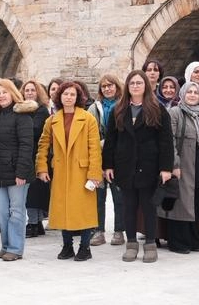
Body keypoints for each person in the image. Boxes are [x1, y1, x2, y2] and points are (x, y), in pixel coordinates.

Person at [103, 70, 174, 263]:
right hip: (125, 166)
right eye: (132, 83)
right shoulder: (118, 110)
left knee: (148, 207)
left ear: (146, 86)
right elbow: (111, 140)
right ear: (127, 86)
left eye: (139, 83)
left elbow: (166, 141)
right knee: (128, 207)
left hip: (149, 166)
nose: (135, 86)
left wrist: (166, 168)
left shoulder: (157, 109)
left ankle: (150, 244)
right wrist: (108, 165)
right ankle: (132, 244)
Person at [36, 82, 102, 261]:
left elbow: (94, 148)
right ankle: (67, 246)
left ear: (78, 97)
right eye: (65, 94)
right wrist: (41, 167)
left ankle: (85, 247)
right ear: (59, 96)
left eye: (72, 94)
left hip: (83, 172)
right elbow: (43, 145)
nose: (69, 97)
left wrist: (94, 174)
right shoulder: (52, 120)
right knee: (62, 209)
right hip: (61, 170)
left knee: (84, 211)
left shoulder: (88, 119)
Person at [0, 80, 36, 261]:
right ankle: (5, 245)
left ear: (13, 93)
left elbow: (26, 146)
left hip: (17, 173)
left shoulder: (22, 117)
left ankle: (15, 249)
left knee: (16, 211)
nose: (1, 96)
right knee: (1, 212)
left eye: (4, 92)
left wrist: (21, 173)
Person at [88, 74, 124, 246]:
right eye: (104, 86)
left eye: (110, 85)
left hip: (119, 157)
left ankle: (119, 231)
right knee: (98, 197)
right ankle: (98, 231)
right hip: (98, 156)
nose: (107, 89)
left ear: (117, 86)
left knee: (119, 196)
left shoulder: (124, 106)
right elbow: (89, 133)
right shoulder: (94, 108)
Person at [165, 81, 199, 253]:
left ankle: (194, 240)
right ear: (183, 94)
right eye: (189, 92)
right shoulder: (175, 112)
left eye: (196, 92)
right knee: (181, 202)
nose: (192, 95)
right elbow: (168, 140)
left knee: (194, 201)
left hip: (196, 162)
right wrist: (174, 164)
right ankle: (178, 242)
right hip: (182, 163)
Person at [21, 80, 51, 237]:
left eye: (33, 90)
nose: (29, 93)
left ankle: (33, 223)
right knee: (32, 190)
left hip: (38, 155)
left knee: (35, 191)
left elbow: (35, 129)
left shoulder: (41, 110)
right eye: (27, 90)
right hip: (26, 155)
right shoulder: (20, 109)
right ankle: (37, 223)